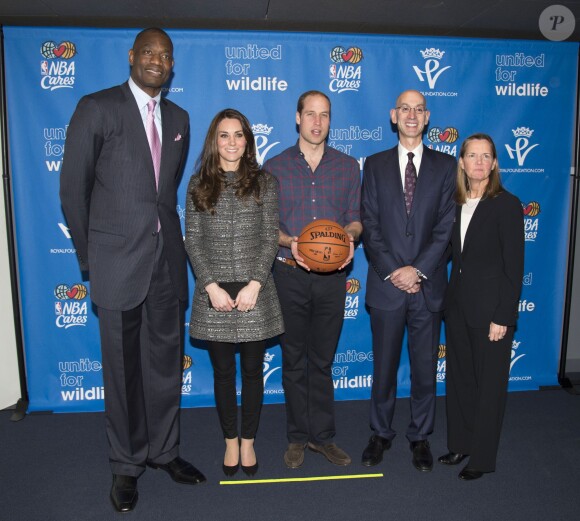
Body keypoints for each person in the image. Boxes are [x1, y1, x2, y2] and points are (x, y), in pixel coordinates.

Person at [60, 28, 205, 513]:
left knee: (165, 367)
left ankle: (164, 451)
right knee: (123, 372)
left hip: (166, 263)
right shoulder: (97, 108)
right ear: (132, 57)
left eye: (165, 55)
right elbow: (72, 192)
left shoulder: (180, 117)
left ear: (172, 65)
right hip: (116, 265)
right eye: (149, 52)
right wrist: (90, 259)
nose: (157, 61)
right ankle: (126, 464)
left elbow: (163, 198)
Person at [263, 90, 362, 468]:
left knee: (321, 361)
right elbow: (266, 226)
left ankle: (323, 437)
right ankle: (297, 438)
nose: (317, 122)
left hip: (333, 278)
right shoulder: (274, 166)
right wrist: (292, 242)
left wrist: (349, 238)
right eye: (310, 114)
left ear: (329, 121)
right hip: (288, 274)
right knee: (293, 358)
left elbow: (355, 218)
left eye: (324, 115)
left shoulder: (348, 166)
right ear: (297, 118)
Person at [360, 90, 456, 472]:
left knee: (424, 368)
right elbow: (369, 222)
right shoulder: (375, 164)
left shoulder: (447, 167)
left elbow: (447, 226)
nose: (411, 115)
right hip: (386, 286)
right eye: (405, 109)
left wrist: (417, 271)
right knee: (383, 367)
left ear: (427, 117)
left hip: (428, 286)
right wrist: (394, 271)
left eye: (418, 109)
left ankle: (420, 436)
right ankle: (380, 433)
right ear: (393, 115)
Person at [185, 109, 284, 477]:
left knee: (254, 371)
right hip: (215, 294)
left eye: (238, 135)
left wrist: (256, 284)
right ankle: (230, 441)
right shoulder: (197, 184)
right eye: (224, 135)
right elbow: (193, 242)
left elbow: (269, 236)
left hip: (254, 292)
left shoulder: (265, 183)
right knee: (224, 373)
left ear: (248, 141)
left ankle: (249, 440)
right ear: (214, 141)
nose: (231, 142)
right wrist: (210, 287)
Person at [438, 133, 524, 480]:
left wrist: (503, 316)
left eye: (485, 156)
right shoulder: (455, 202)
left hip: (491, 314)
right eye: (472, 155)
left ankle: (482, 458)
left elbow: (513, 267)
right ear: (461, 162)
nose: (478, 162)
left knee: (489, 388)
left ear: (494, 164)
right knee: (460, 381)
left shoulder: (506, 204)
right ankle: (460, 444)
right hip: (457, 307)